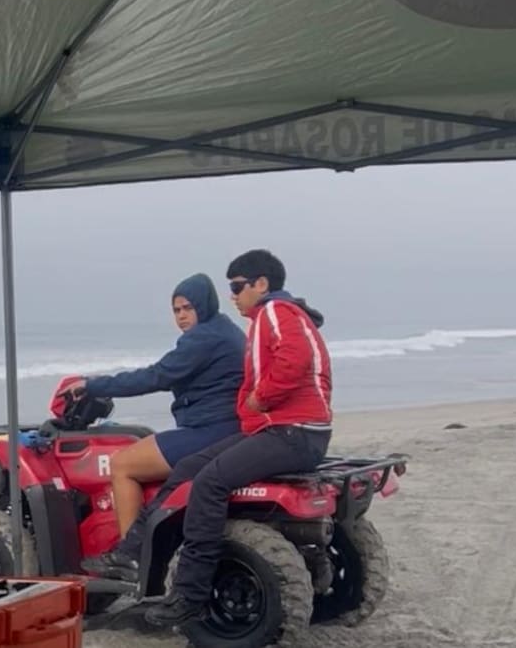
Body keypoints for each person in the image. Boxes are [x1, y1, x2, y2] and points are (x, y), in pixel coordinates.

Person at [135, 249, 334, 628]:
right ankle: (135, 547)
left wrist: (261, 398)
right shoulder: (284, 314)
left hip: (291, 431)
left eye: (238, 287)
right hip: (289, 430)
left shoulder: (274, 311)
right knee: (191, 466)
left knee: (210, 483)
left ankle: (189, 595)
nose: (233, 296)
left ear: (262, 284)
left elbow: (295, 361)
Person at [59, 272, 245, 539]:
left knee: (122, 465)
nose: (181, 316)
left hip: (210, 430)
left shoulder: (203, 338)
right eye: (176, 310)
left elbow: (156, 376)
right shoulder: (225, 330)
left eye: (188, 308)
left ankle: (129, 551)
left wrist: (92, 385)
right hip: (228, 427)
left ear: (204, 305)